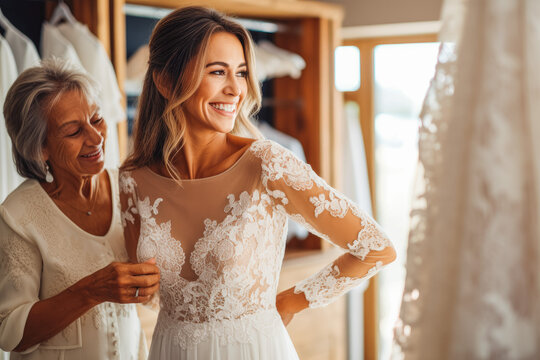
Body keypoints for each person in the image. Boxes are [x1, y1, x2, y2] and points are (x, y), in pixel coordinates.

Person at [120, 6, 396, 360]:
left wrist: (290, 301)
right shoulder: (133, 179)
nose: (237, 88)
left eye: (242, 72)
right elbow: (147, 289)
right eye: (218, 72)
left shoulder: (267, 164)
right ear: (166, 81)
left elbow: (376, 248)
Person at [0, 58, 160, 360]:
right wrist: (91, 290)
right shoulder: (18, 216)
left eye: (97, 119)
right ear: (39, 148)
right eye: (73, 131)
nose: (96, 137)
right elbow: (10, 332)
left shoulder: (131, 187)